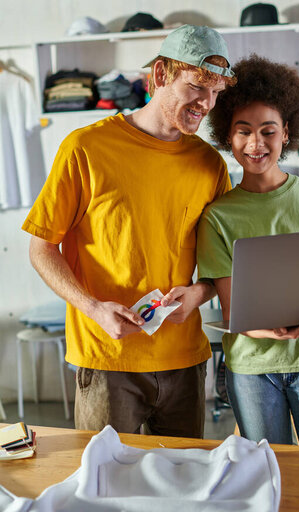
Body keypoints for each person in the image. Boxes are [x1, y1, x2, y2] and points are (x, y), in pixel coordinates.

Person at [22, 24, 236, 438]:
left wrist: (200, 292)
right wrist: (94, 308)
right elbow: (41, 248)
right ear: (159, 75)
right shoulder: (85, 149)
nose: (207, 104)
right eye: (197, 87)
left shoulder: (211, 165)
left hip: (185, 362)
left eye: (216, 93)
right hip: (107, 361)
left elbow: (224, 260)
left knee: (183, 486)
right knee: (104, 488)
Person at [197, 54, 299, 448]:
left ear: (286, 132)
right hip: (254, 370)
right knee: (268, 486)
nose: (256, 143)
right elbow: (234, 311)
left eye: (268, 131)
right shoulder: (217, 216)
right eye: (243, 131)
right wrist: (270, 330)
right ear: (227, 137)